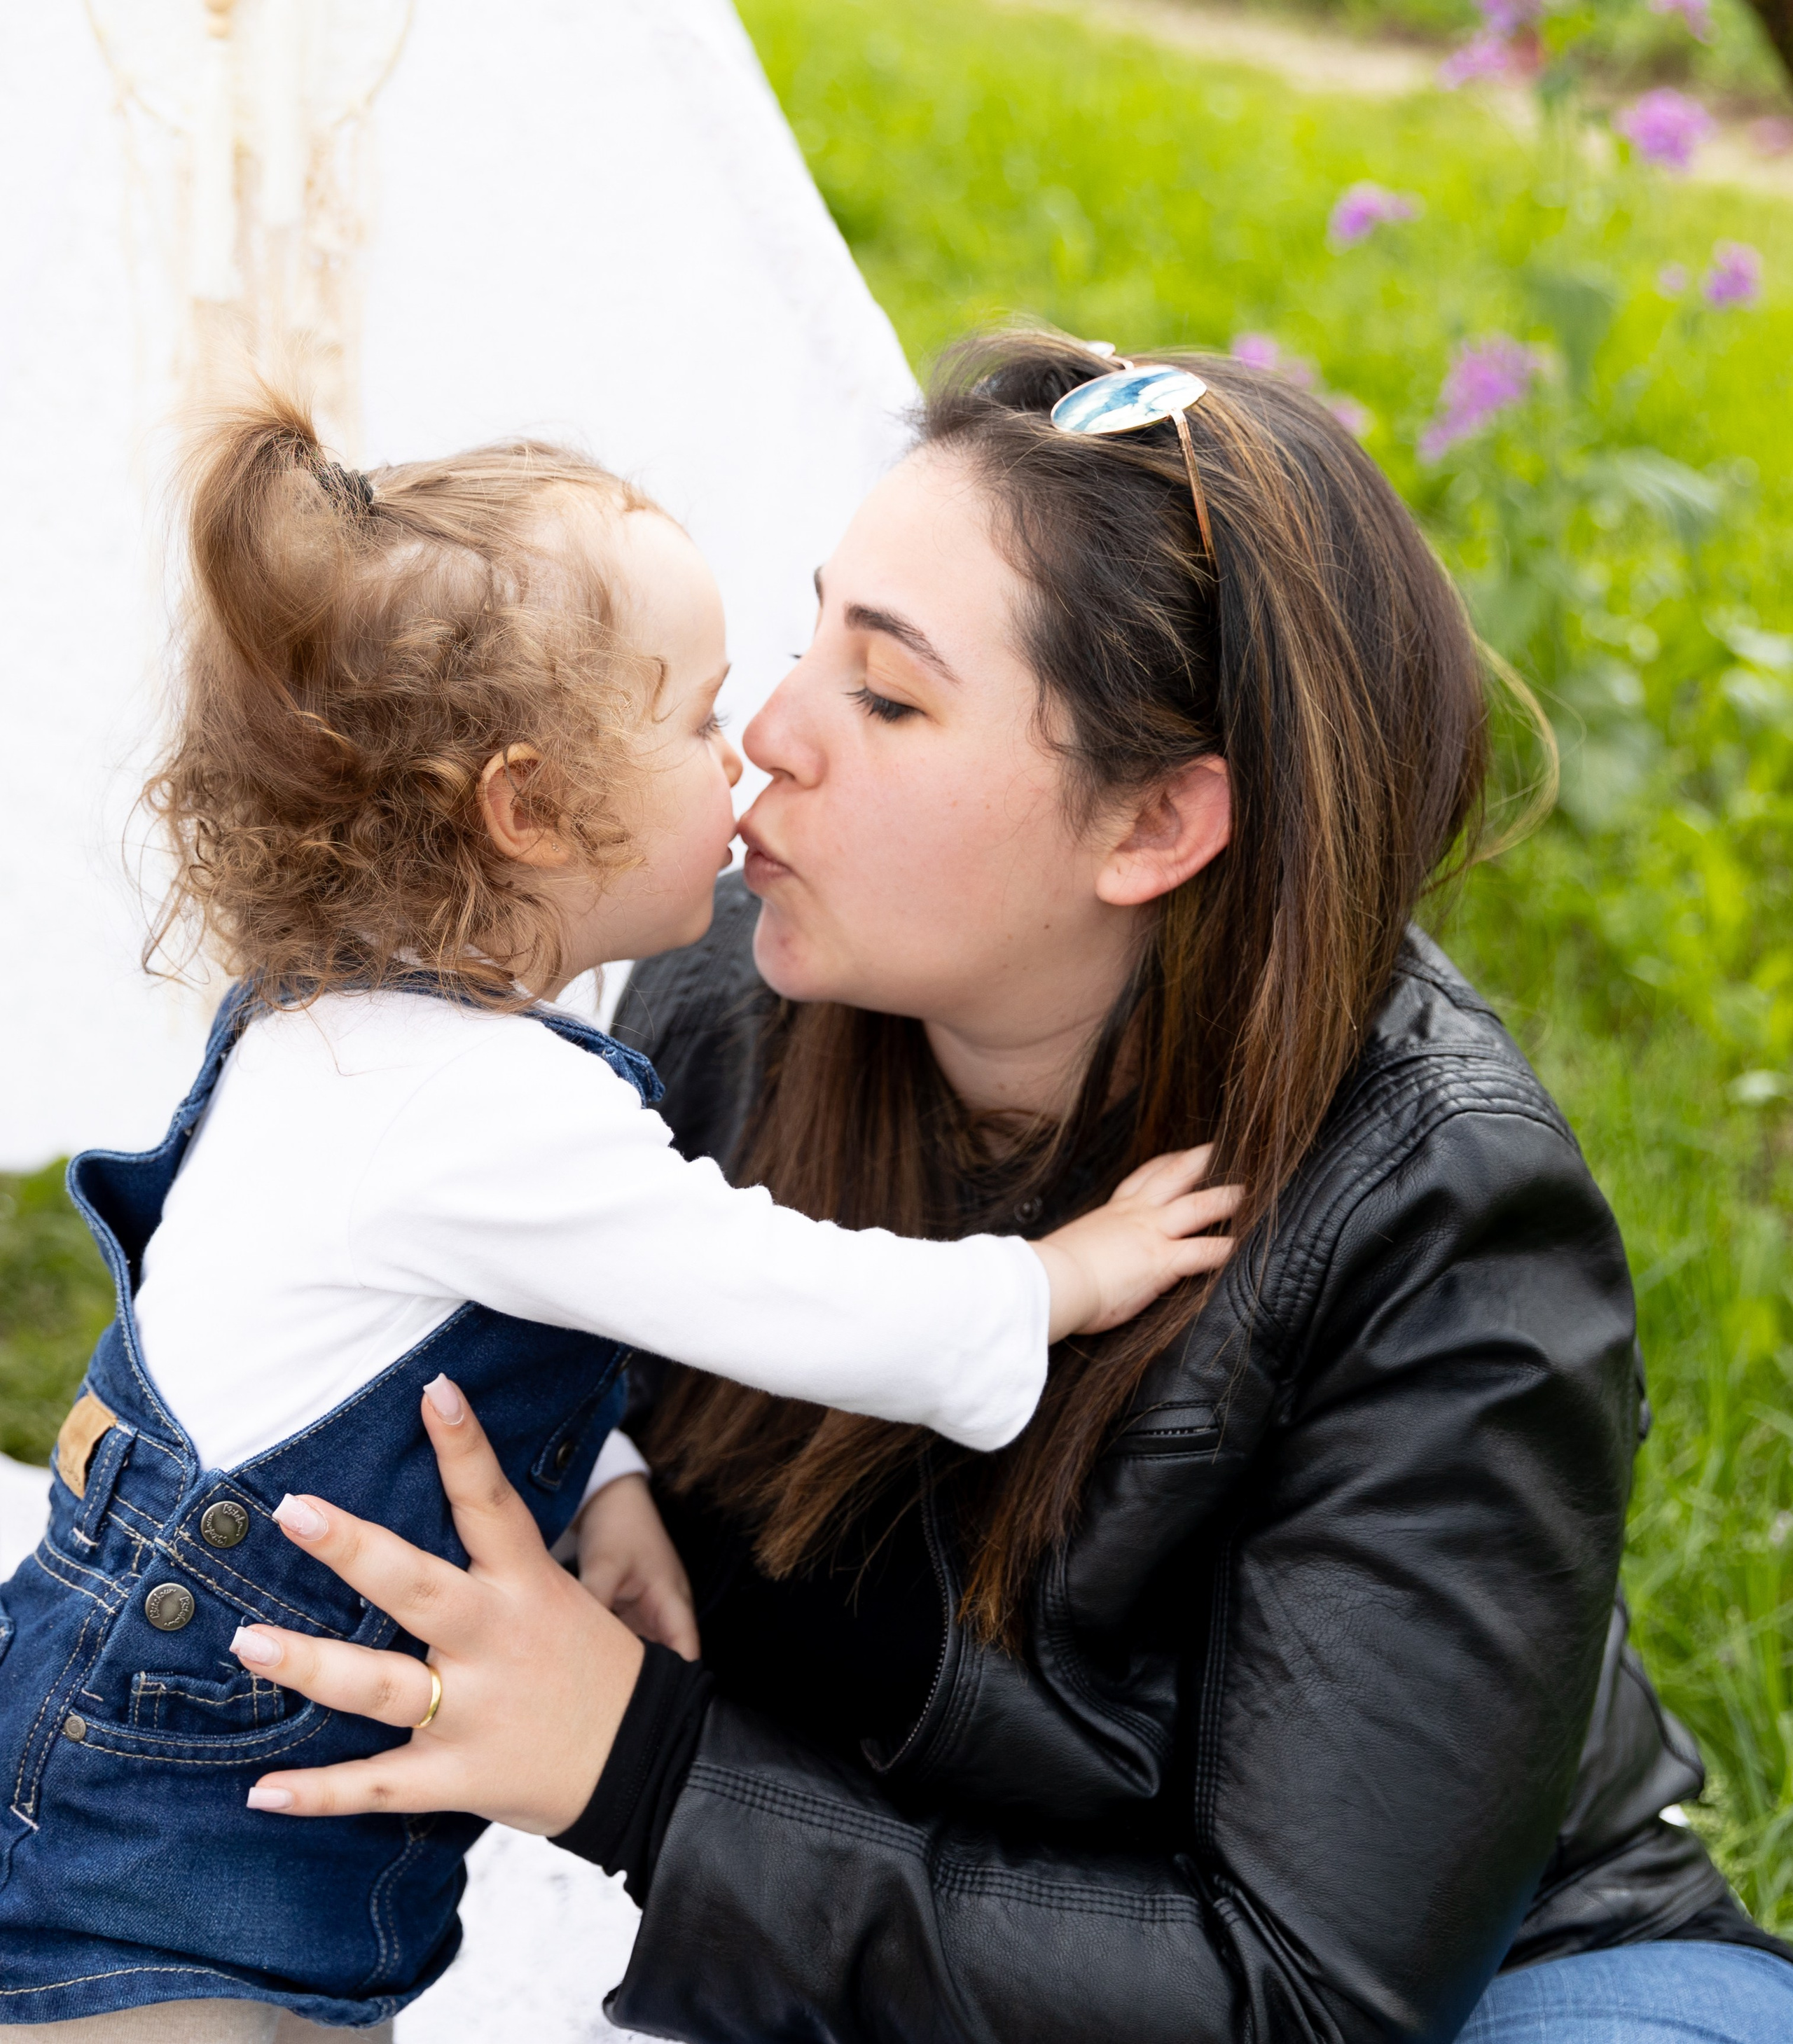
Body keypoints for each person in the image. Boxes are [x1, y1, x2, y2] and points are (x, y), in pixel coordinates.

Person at [223, 333, 1793, 2042]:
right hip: (895, 1949)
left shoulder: (1436, 1214)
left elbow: (1310, 1997)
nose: (764, 733)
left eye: (885, 696)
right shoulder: (716, 1004)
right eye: (809, 635)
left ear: (1152, 827)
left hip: (1476, 1994)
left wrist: (645, 1770)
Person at [0, 384, 1238, 2037]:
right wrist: (1054, 1276)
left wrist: (604, 1473)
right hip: (168, 1851)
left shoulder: (342, 1030)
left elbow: (391, 1348)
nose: (752, 752)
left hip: (115, 1766)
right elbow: (788, 1294)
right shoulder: (489, 1110)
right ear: (526, 807)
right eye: (695, 718)